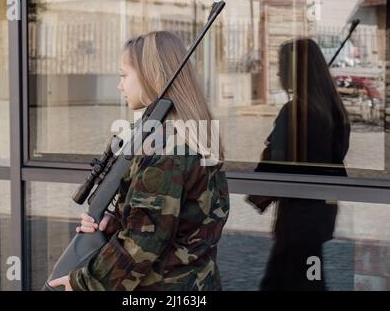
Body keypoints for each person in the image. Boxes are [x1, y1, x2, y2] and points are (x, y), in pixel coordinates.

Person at [49, 31, 230, 291]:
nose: (119, 85)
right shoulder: (193, 134)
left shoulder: (165, 150)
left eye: (123, 75)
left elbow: (141, 244)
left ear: (150, 75)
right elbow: (181, 224)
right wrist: (120, 218)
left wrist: (83, 283)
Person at [248, 38, 350, 290]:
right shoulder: (332, 109)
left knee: (292, 282)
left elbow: (275, 165)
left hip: (297, 220)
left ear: (296, 71)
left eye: (282, 65)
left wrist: (254, 191)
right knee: (305, 279)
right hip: (319, 217)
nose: (278, 72)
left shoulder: (296, 112)